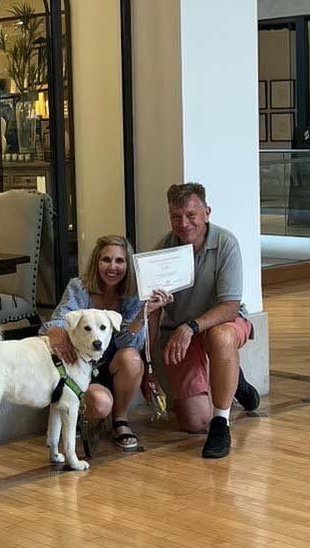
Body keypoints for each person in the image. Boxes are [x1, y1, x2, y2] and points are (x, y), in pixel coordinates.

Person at [151, 182, 260, 459]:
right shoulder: (161, 252)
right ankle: (235, 381)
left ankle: (221, 423)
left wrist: (192, 327)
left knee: (220, 336)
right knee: (194, 422)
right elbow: (151, 311)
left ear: (207, 212)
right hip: (179, 333)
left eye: (191, 215)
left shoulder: (226, 244)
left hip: (221, 324)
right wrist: (149, 361)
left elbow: (230, 306)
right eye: (176, 216)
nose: (184, 223)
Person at [39, 234, 171, 450]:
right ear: (96, 262)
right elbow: (55, 322)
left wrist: (143, 314)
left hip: (113, 366)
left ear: (128, 265)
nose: (112, 267)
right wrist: (55, 330)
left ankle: (120, 420)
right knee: (101, 404)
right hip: (81, 369)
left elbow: (129, 342)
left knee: (131, 357)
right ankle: (89, 419)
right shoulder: (79, 288)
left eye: (119, 261)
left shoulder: (133, 295)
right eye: (106, 260)